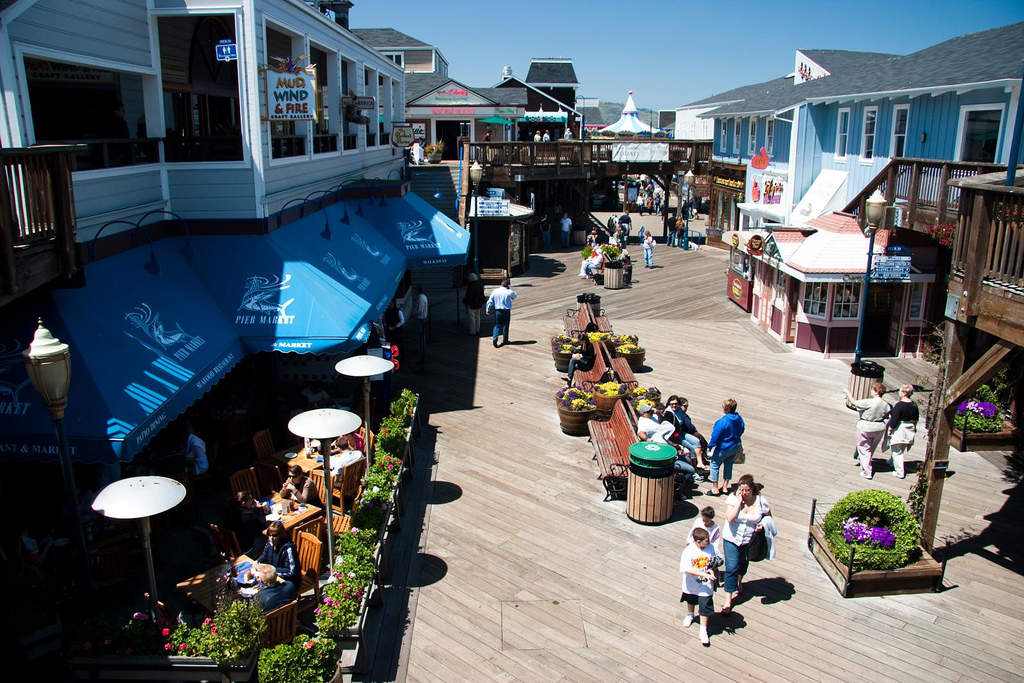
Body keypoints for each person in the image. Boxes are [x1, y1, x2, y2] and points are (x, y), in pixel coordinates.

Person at [721, 475, 770, 614]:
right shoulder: (733, 499)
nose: (744, 493)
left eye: (747, 490)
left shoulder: (761, 502)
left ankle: (739, 581)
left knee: (743, 564)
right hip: (731, 538)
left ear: (752, 489)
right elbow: (730, 518)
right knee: (731, 567)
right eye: (741, 490)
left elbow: (768, 517)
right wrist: (738, 502)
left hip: (749, 540)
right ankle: (728, 600)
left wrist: (761, 524)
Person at [679, 527, 717, 646]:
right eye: (706, 541)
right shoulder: (689, 551)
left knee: (705, 604)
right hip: (692, 583)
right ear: (698, 541)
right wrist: (702, 573)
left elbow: (713, 562)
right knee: (691, 599)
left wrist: (711, 571)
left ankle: (703, 629)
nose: (708, 544)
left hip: (705, 584)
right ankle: (690, 614)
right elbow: (685, 568)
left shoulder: (711, 548)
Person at [844, 381, 890, 480]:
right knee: (871, 448)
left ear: (876, 392)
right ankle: (865, 463)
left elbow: (854, 402)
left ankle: (867, 471)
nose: (871, 391)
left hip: (866, 426)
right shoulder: (886, 405)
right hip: (879, 427)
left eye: (873, 390)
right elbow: (887, 414)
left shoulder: (869, 402)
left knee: (864, 448)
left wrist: (848, 393)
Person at [706, 399, 744, 496]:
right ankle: (725, 487)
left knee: (714, 465)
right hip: (735, 446)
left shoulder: (722, 422)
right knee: (728, 464)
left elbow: (715, 436)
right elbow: (742, 429)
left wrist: (710, 446)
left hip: (723, 448)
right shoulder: (739, 419)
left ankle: (715, 488)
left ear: (726, 408)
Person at [886, 384, 919, 479]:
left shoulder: (899, 405)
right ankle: (892, 462)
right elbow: (916, 418)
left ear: (904, 393)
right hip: (910, 428)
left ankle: (900, 472)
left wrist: (890, 429)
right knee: (901, 447)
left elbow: (894, 419)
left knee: (897, 450)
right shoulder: (914, 405)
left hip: (901, 428)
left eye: (900, 391)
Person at [663, 396, 708, 466]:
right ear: (669, 404)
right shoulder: (668, 414)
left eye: (676, 404)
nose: (674, 405)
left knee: (696, 441)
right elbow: (668, 431)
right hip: (674, 436)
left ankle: (700, 463)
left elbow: (687, 425)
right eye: (672, 404)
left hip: (680, 433)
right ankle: (694, 467)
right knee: (692, 448)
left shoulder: (679, 411)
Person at [255, 520, 300, 587]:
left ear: (281, 535)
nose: (271, 538)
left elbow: (291, 571)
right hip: (273, 578)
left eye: (274, 536)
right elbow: (264, 555)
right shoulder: (270, 543)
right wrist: (257, 562)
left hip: (288, 582)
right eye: (269, 535)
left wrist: (271, 571)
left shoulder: (288, 548)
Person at [485, 278, 517, 348]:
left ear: (501, 284)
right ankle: (505, 340)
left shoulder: (495, 291)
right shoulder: (509, 291)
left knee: (497, 325)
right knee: (506, 325)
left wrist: (487, 309)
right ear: (508, 285)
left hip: (498, 311)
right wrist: (509, 289)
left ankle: (495, 338)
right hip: (506, 311)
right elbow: (514, 296)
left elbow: (490, 301)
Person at [407, 285, 429, 365]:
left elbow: (419, 310)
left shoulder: (420, 298)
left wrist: (413, 314)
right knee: (421, 335)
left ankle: (418, 350)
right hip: (423, 318)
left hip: (419, 318)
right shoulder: (424, 297)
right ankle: (421, 349)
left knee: (418, 335)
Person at [463, 272, 486, 336]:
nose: (468, 279)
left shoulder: (471, 285)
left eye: (469, 278)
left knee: (472, 318)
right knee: (478, 317)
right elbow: (482, 294)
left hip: (472, 304)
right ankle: (477, 330)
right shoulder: (480, 284)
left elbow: (469, 295)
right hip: (478, 303)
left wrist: (466, 302)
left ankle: (472, 332)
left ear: (472, 278)